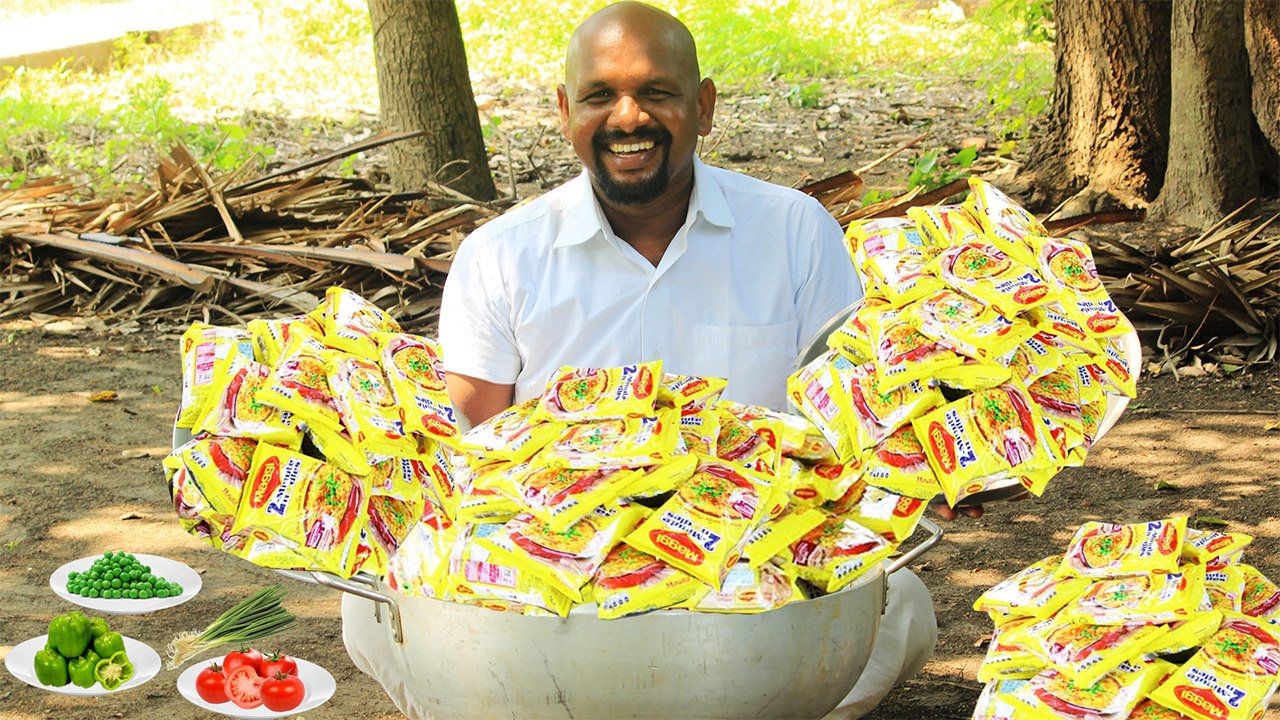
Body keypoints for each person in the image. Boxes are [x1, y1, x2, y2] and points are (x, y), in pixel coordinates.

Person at [344, 3, 937, 718]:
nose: (629, 118)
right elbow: (459, 453)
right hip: (551, 576)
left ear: (704, 106)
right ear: (566, 112)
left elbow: (855, 422)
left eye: (657, 92)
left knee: (898, 604)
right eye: (600, 96)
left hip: (747, 558)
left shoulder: (794, 231)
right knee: (371, 615)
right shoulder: (501, 256)